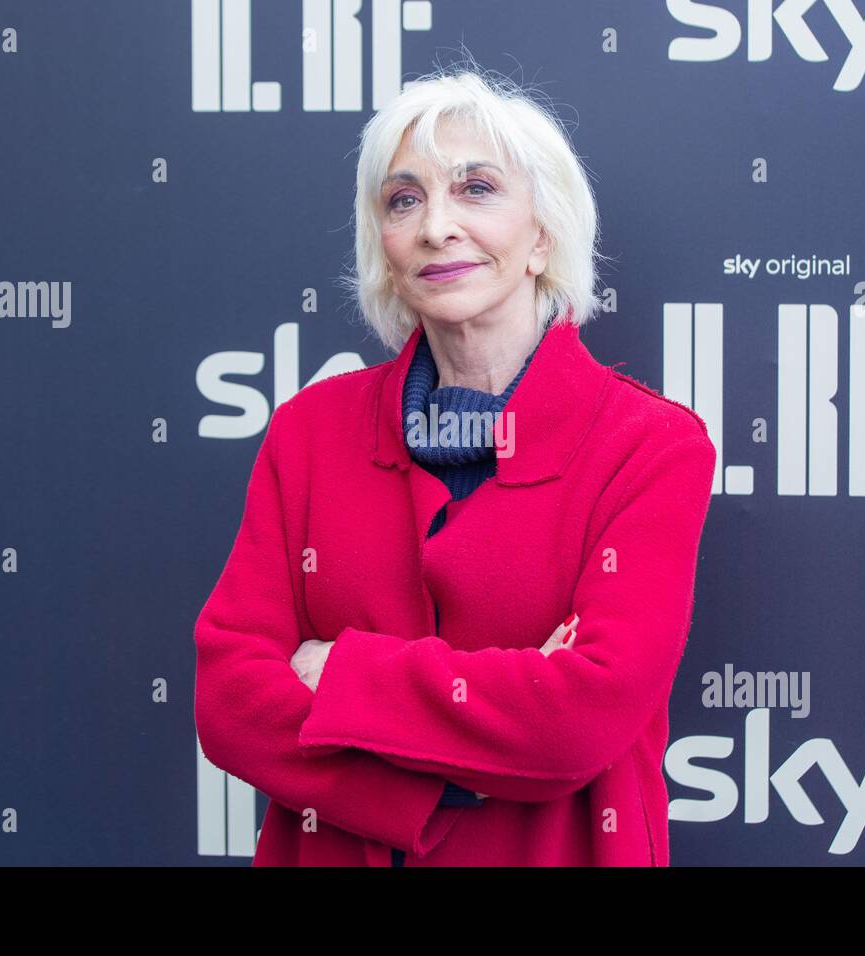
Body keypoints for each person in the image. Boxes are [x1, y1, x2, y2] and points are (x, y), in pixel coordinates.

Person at [193, 63, 716, 866]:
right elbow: (231, 698)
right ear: (385, 247)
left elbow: (582, 717)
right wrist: (447, 775)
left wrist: (338, 673)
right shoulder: (308, 433)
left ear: (543, 235)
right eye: (405, 200)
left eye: (477, 189)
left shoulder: (648, 446)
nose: (437, 225)